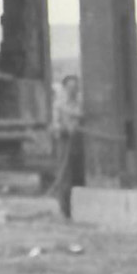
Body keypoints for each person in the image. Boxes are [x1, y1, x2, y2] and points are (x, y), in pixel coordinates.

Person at [51, 72, 85, 220]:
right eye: (70, 87)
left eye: (75, 87)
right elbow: (56, 124)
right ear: (65, 88)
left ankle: (79, 210)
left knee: (79, 176)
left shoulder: (81, 103)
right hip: (64, 143)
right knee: (65, 176)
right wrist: (64, 129)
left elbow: (85, 117)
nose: (73, 90)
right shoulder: (59, 104)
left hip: (80, 144)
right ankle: (64, 210)